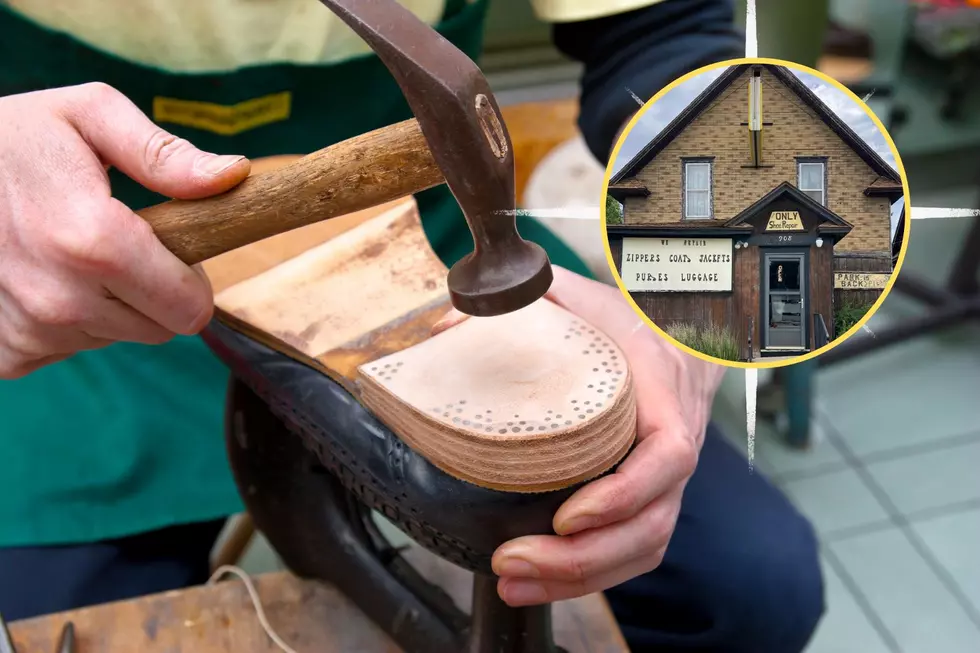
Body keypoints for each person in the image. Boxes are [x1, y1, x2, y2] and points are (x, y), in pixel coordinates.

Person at [0, 0, 823, 651]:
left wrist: (714, 284)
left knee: (752, 590)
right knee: (50, 618)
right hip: (73, 297)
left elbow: (666, 31)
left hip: (424, 258)